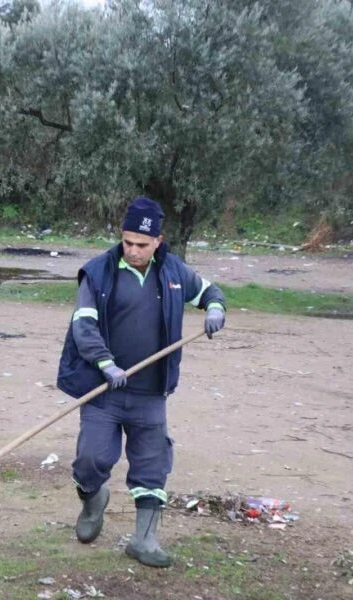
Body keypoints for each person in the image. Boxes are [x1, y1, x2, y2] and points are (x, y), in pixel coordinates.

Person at [56, 196, 226, 568]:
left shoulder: (173, 271)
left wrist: (215, 307)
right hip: (104, 391)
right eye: (128, 242)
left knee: (151, 464)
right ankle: (92, 499)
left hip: (151, 393)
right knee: (90, 459)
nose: (133, 250)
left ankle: (144, 540)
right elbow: (83, 326)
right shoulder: (98, 272)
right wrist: (106, 364)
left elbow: (209, 291)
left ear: (158, 242)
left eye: (142, 245)